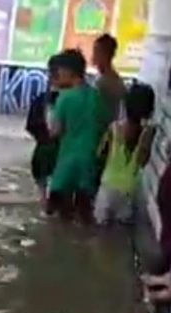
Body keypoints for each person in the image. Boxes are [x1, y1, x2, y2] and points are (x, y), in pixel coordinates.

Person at [48, 49, 109, 223]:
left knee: (59, 218)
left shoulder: (65, 98)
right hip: (89, 162)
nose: (56, 75)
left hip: (67, 164)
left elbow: (55, 132)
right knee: (84, 214)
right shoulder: (97, 97)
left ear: (68, 71)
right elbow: (104, 127)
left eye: (58, 71)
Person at [94, 83, 156, 226]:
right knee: (122, 228)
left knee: (100, 228)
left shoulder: (114, 128)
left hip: (108, 185)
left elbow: (99, 154)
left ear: (126, 105)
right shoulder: (147, 133)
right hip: (129, 189)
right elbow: (143, 161)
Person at [26, 54, 61, 215]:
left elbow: (31, 126)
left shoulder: (40, 99)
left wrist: (43, 138)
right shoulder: (70, 99)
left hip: (42, 150)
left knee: (42, 189)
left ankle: (44, 205)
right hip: (61, 153)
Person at [93, 33, 126, 124]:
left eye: (96, 52)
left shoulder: (105, 81)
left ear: (105, 55)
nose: (93, 55)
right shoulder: (108, 77)